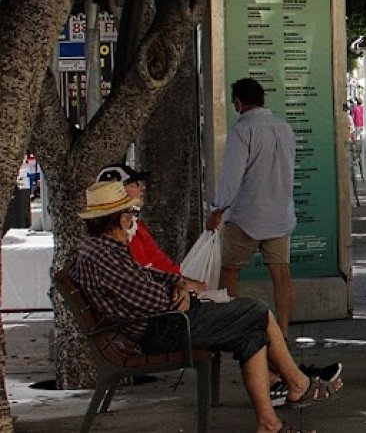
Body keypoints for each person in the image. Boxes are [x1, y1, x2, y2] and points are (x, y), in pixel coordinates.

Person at [72, 181, 342, 433]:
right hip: (163, 328)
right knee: (256, 311)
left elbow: (152, 276)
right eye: (130, 215)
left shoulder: (103, 248)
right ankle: (298, 383)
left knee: (251, 334)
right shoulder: (104, 257)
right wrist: (181, 293)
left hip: (163, 322)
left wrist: (178, 283)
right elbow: (152, 298)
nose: (132, 221)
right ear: (120, 219)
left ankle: (269, 422)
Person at [207, 78, 298, 339]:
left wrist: (217, 209)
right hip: (280, 214)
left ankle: (236, 328)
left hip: (246, 214)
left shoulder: (242, 130)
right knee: (281, 273)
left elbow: (232, 177)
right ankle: (283, 331)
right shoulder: (284, 128)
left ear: (238, 102)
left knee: (230, 272)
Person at [95, 164, 199, 286]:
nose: (142, 187)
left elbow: (160, 262)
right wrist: (183, 285)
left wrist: (183, 283)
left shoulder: (137, 228)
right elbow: (141, 278)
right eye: (134, 184)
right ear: (118, 192)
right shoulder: (114, 240)